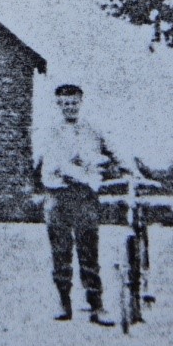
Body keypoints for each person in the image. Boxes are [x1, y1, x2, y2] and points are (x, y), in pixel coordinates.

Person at [35, 84, 114, 326]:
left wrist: (121, 166)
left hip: (84, 197)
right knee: (61, 250)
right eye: (65, 103)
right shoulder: (51, 133)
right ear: (59, 105)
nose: (70, 107)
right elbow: (58, 165)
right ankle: (63, 302)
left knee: (89, 249)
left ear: (80, 102)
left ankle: (96, 305)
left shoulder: (92, 130)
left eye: (74, 102)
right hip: (58, 196)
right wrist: (87, 171)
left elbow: (111, 154)